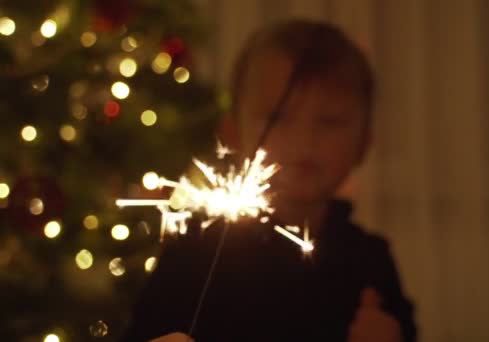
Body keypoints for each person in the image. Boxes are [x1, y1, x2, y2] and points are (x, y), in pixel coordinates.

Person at [120, 19, 417, 342]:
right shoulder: (197, 250)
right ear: (232, 134)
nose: (306, 141)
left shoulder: (368, 260)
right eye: (278, 118)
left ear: (364, 144)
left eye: (331, 121)